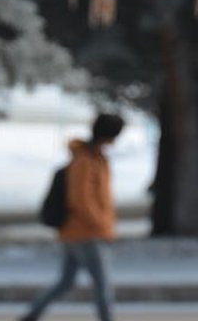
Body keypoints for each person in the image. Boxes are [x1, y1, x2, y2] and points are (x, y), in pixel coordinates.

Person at [21, 113, 125, 321]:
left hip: (78, 231)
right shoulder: (85, 160)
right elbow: (80, 198)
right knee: (102, 283)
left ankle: (31, 315)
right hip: (86, 232)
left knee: (66, 282)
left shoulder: (95, 157)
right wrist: (100, 225)